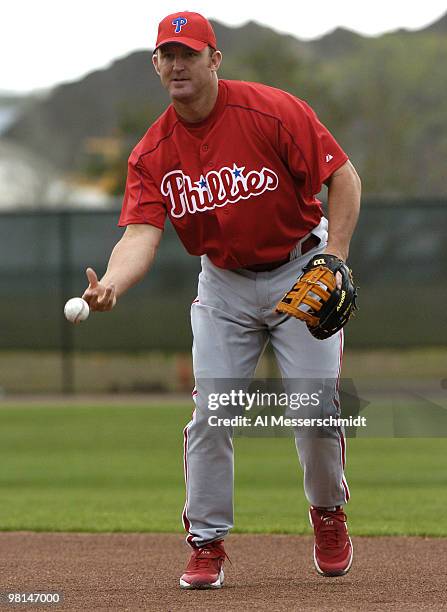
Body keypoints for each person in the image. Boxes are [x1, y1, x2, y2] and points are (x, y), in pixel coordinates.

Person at [82, 11, 361, 590]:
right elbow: (140, 234)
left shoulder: (271, 110)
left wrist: (335, 254)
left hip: (298, 268)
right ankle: (207, 542)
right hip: (224, 286)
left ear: (215, 59)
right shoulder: (152, 152)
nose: (178, 64)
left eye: (189, 52)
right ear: (156, 65)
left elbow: (344, 177)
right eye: (168, 54)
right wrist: (111, 284)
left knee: (315, 413)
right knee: (212, 413)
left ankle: (328, 512)